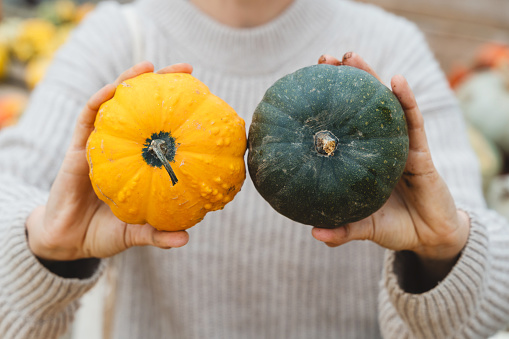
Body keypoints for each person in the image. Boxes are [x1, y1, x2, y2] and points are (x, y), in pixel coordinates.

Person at [1, 0, 508, 338]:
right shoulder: (115, 37)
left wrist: (445, 250)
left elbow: (491, 291)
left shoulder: (393, 44)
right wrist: (45, 246)